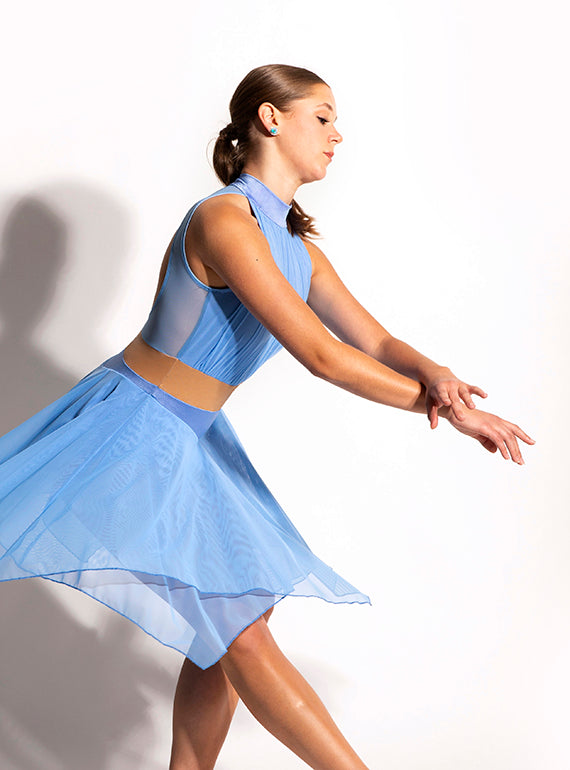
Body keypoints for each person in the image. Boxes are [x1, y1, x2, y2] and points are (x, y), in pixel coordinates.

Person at [0, 64, 534, 770]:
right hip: (138, 426)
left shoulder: (298, 249)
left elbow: (373, 343)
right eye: (323, 117)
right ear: (270, 119)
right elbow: (322, 355)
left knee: (229, 626)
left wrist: (438, 377)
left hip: (193, 437)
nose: (337, 136)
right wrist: (443, 414)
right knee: (241, 629)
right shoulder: (224, 220)